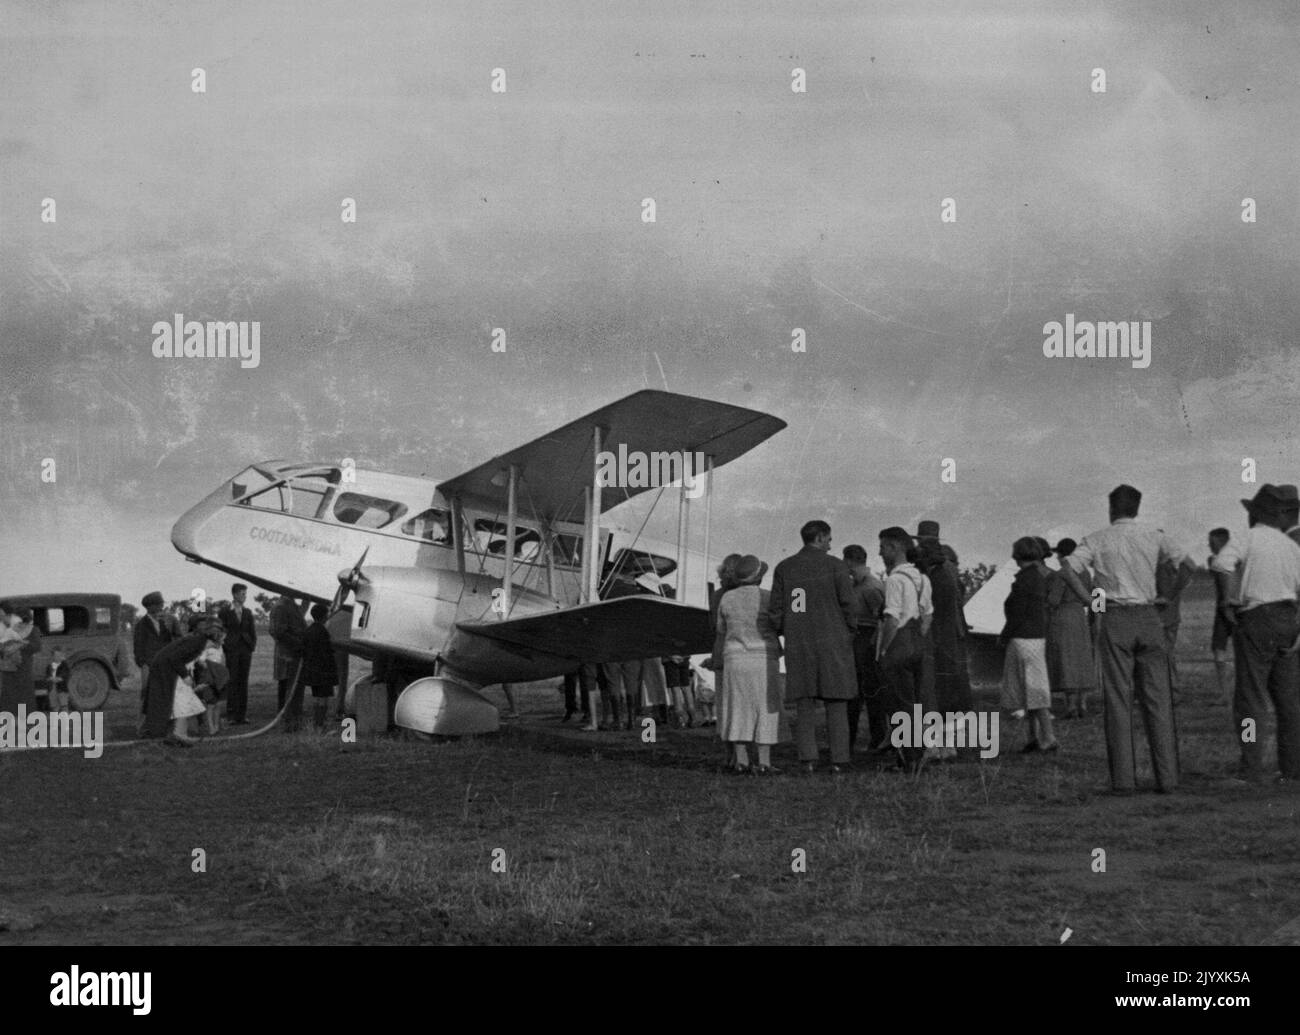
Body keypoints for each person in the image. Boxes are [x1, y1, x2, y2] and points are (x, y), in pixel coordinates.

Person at [1060, 484, 1195, 795]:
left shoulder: (1096, 539)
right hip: (1149, 616)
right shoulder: (1154, 535)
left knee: (1118, 700)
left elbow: (1067, 568)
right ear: (1137, 507)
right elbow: (1189, 566)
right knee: (1158, 700)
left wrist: (1090, 601)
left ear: (1111, 509)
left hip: (1115, 617)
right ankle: (1168, 778)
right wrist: (1168, 596)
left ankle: (1123, 781)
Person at [1212, 484, 1300, 784]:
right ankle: (1292, 769)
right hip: (1289, 620)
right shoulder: (1291, 546)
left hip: (1257, 619)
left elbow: (1221, 564)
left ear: (1257, 514)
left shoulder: (1248, 538)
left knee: (1250, 699)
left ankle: (1251, 768)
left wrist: (1226, 602)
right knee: (1289, 703)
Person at [768, 521, 857, 774]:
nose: (831, 543)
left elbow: (776, 611)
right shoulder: (836, 566)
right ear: (819, 538)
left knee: (804, 701)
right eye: (829, 538)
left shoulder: (785, 568)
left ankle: (808, 758)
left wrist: (791, 630)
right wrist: (848, 632)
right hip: (834, 640)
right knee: (837, 700)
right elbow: (849, 605)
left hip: (800, 642)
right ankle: (840, 760)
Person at [713, 554, 783, 774]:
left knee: (737, 708)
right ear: (759, 578)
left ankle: (742, 761)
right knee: (765, 708)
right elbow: (778, 625)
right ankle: (764, 762)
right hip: (763, 657)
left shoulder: (726, 599)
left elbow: (721, 629)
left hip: (735, 657)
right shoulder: (768, 597)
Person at [876, 528, 934, 771]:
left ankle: (909, 759)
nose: (879, 552)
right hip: (918, 643)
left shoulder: (895, 579)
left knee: (899, 703)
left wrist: (883, 650)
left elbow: (891, 618)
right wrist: (916, 639)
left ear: (895, 547)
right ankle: (918, 754)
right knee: (916, 703)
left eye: (883, 547)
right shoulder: (922, 578)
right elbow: (928, 615)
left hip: (898, 642)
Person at [916, 523, 974, 757]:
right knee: (952, 689)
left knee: (936, 689)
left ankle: (939, 744)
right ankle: (949, 742)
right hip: (955, 636)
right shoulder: (951, 569)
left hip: (939, 636)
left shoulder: (934, 573)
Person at [1000, 538, 1057, 753]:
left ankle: (1048, 735)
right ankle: (1076, 705)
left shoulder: (1037, 577)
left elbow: (1050, 601)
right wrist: (1097, 614)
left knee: (1035, 686)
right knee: (1040, 682)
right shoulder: (1055, 574)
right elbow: (1097, 592)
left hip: (1037, 628)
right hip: (1062, 623)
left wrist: (1098, 612)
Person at [143, 617, 221, 746]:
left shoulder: (199, 643)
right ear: (215, 639)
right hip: (166, 671)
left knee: (185, 702)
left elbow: (184, 660)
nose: (222, 642)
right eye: (221, 639)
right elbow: (175, 659)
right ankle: (178, 735)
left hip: (171, 671)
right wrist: (186, 676)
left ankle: (179, 734)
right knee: (184, 702)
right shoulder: (196, 643)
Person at [842, 544, 886, 754]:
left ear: (850, 561)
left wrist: (873, 647)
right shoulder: (856, 585)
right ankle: (848, 740)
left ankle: (877, 739)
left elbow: (882, 619)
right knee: (853, 695)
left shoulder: (871, 587)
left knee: (872, 695)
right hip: (855, 643)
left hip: (867, 644)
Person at [1045, 538, 1095, 719]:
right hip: (1079, 615)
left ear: (1061, 554)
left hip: (1063, 616)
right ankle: (1083, 703)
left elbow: (1053, 600)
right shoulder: (1086, 574)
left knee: (1067, 659)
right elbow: (1091, 598)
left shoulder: (1061, 574)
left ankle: (1071, 706)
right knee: (1081, 658)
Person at [133, 591, 177, 727]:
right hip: (149, 664)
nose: (161, 607)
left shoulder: (166, 622)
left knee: (167, 692)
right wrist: (144, 664)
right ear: (149, 607)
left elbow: (174, 639)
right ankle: (142, 724)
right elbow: (138, 647)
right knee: (147, 694)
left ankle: (165, 721)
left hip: (165, 664)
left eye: (161, 604)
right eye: (158, 605)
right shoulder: (142, 625)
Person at [269, 594, 308, 732]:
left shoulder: (291, 605)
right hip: (288, 655)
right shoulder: (281, 607)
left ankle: (294, 721)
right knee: (290, 688)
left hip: (294, 654)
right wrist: (299, 643)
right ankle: (289, 722)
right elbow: (278, 632)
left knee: (295, 689)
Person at [220, 583, 257, 725]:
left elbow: (252, 631)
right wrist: (227, 646)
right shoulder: (224, 612)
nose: (245, 596)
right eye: (242, 594)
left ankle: (242, 715)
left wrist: (251, 646)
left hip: (245, 650)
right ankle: (231, 715)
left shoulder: (247, 612)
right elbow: (221, 631)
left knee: (243, 681)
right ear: (235, 594)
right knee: (232, 680)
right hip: (232, 650)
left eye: (245, 594)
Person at [302, 603, 339, 730]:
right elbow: (327, 652)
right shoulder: (323, 632)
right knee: (323, 699)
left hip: (312, 671)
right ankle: (320, 725)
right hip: (324, 672)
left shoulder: (308, 631)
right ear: (324, 616)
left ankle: (316, 724)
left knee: (317, 698)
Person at [0, 604, 41, 715]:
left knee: (24, 694)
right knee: (9, 694)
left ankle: (25, 721)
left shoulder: (33, 630)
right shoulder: (9, 630)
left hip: (24, 668)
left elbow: (37, 646)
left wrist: (21, 645)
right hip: (9, 668)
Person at [1208, 528, 1234, 703]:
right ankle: (1226, 691)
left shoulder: (1220, 561)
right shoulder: (1234, 557)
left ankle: (1225, 693)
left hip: (1226, 610)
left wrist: (1226, 611)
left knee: (1219, 650)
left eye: (1211, 541)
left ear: (1219, 541)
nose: (1209, 545)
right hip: (1233, 609)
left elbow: (1225, 594)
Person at [663, 655, 695, 727]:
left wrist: (671, 657)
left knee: (675, 689)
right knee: (686, 687)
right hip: (684, 658)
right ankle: (692, 717)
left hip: (670, 660)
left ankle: (679, 718)